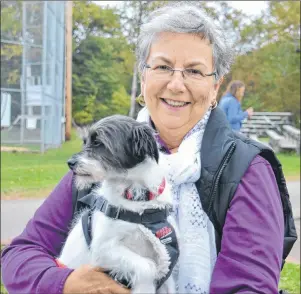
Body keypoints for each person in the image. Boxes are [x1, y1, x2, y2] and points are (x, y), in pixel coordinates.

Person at [1, 3, 296, 294]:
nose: (176, 84)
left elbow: (250, 286)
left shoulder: (247, 168)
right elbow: (20, 256)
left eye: (194, 71)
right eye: (163, 66)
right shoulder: (110, 154)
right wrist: (66, 284)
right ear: (144, 79)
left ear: (215, 87)